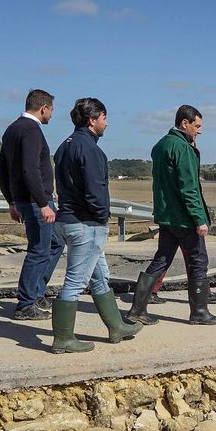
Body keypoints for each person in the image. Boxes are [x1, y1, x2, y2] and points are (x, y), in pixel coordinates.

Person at [50, 97, 140, 353]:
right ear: (93, 120)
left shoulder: (64, 146)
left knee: (100, 277)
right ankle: (63, 338)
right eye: (104, 118)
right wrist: (102, 216)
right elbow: (95, 189)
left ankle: (116, 327)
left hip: (68, 219)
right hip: (85, 223)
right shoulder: (90, 150)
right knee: (76, 282)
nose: (106, 124)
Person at [128, 104, 216, 326]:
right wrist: (199, 219)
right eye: (197, 126)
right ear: (184, 123)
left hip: (166, 216)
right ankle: (199, 312)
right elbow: (189, 188)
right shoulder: (182, 149)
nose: (199, 131)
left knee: (161, 259)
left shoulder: (160, 145)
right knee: (199, 261)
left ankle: (137, 309)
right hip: (184, 218)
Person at [0, 89, 63, 320]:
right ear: (43, 108)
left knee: (55, 243)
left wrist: (11, 201)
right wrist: (43, 203)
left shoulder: (12, 129)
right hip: (36, 202)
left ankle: (36, 292)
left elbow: (2, 170)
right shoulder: (31, 130)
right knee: (38, 250)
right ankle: (26, 304)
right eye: (52, 110)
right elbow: (30, 169)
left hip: (24, 200)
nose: (52, 116)